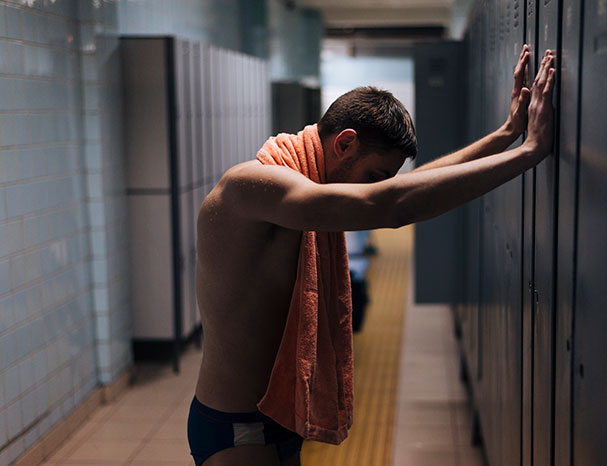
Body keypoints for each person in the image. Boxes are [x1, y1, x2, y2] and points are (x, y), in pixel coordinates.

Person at [187, 45, 555, 466]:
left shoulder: (307, 184)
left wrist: (506, 134)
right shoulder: (251, 185)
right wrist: (529, 154)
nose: (375, 186)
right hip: (238, 426)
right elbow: (391, 206)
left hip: (278, 418)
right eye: (375, 176)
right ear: (345, 143)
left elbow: (407, 188)